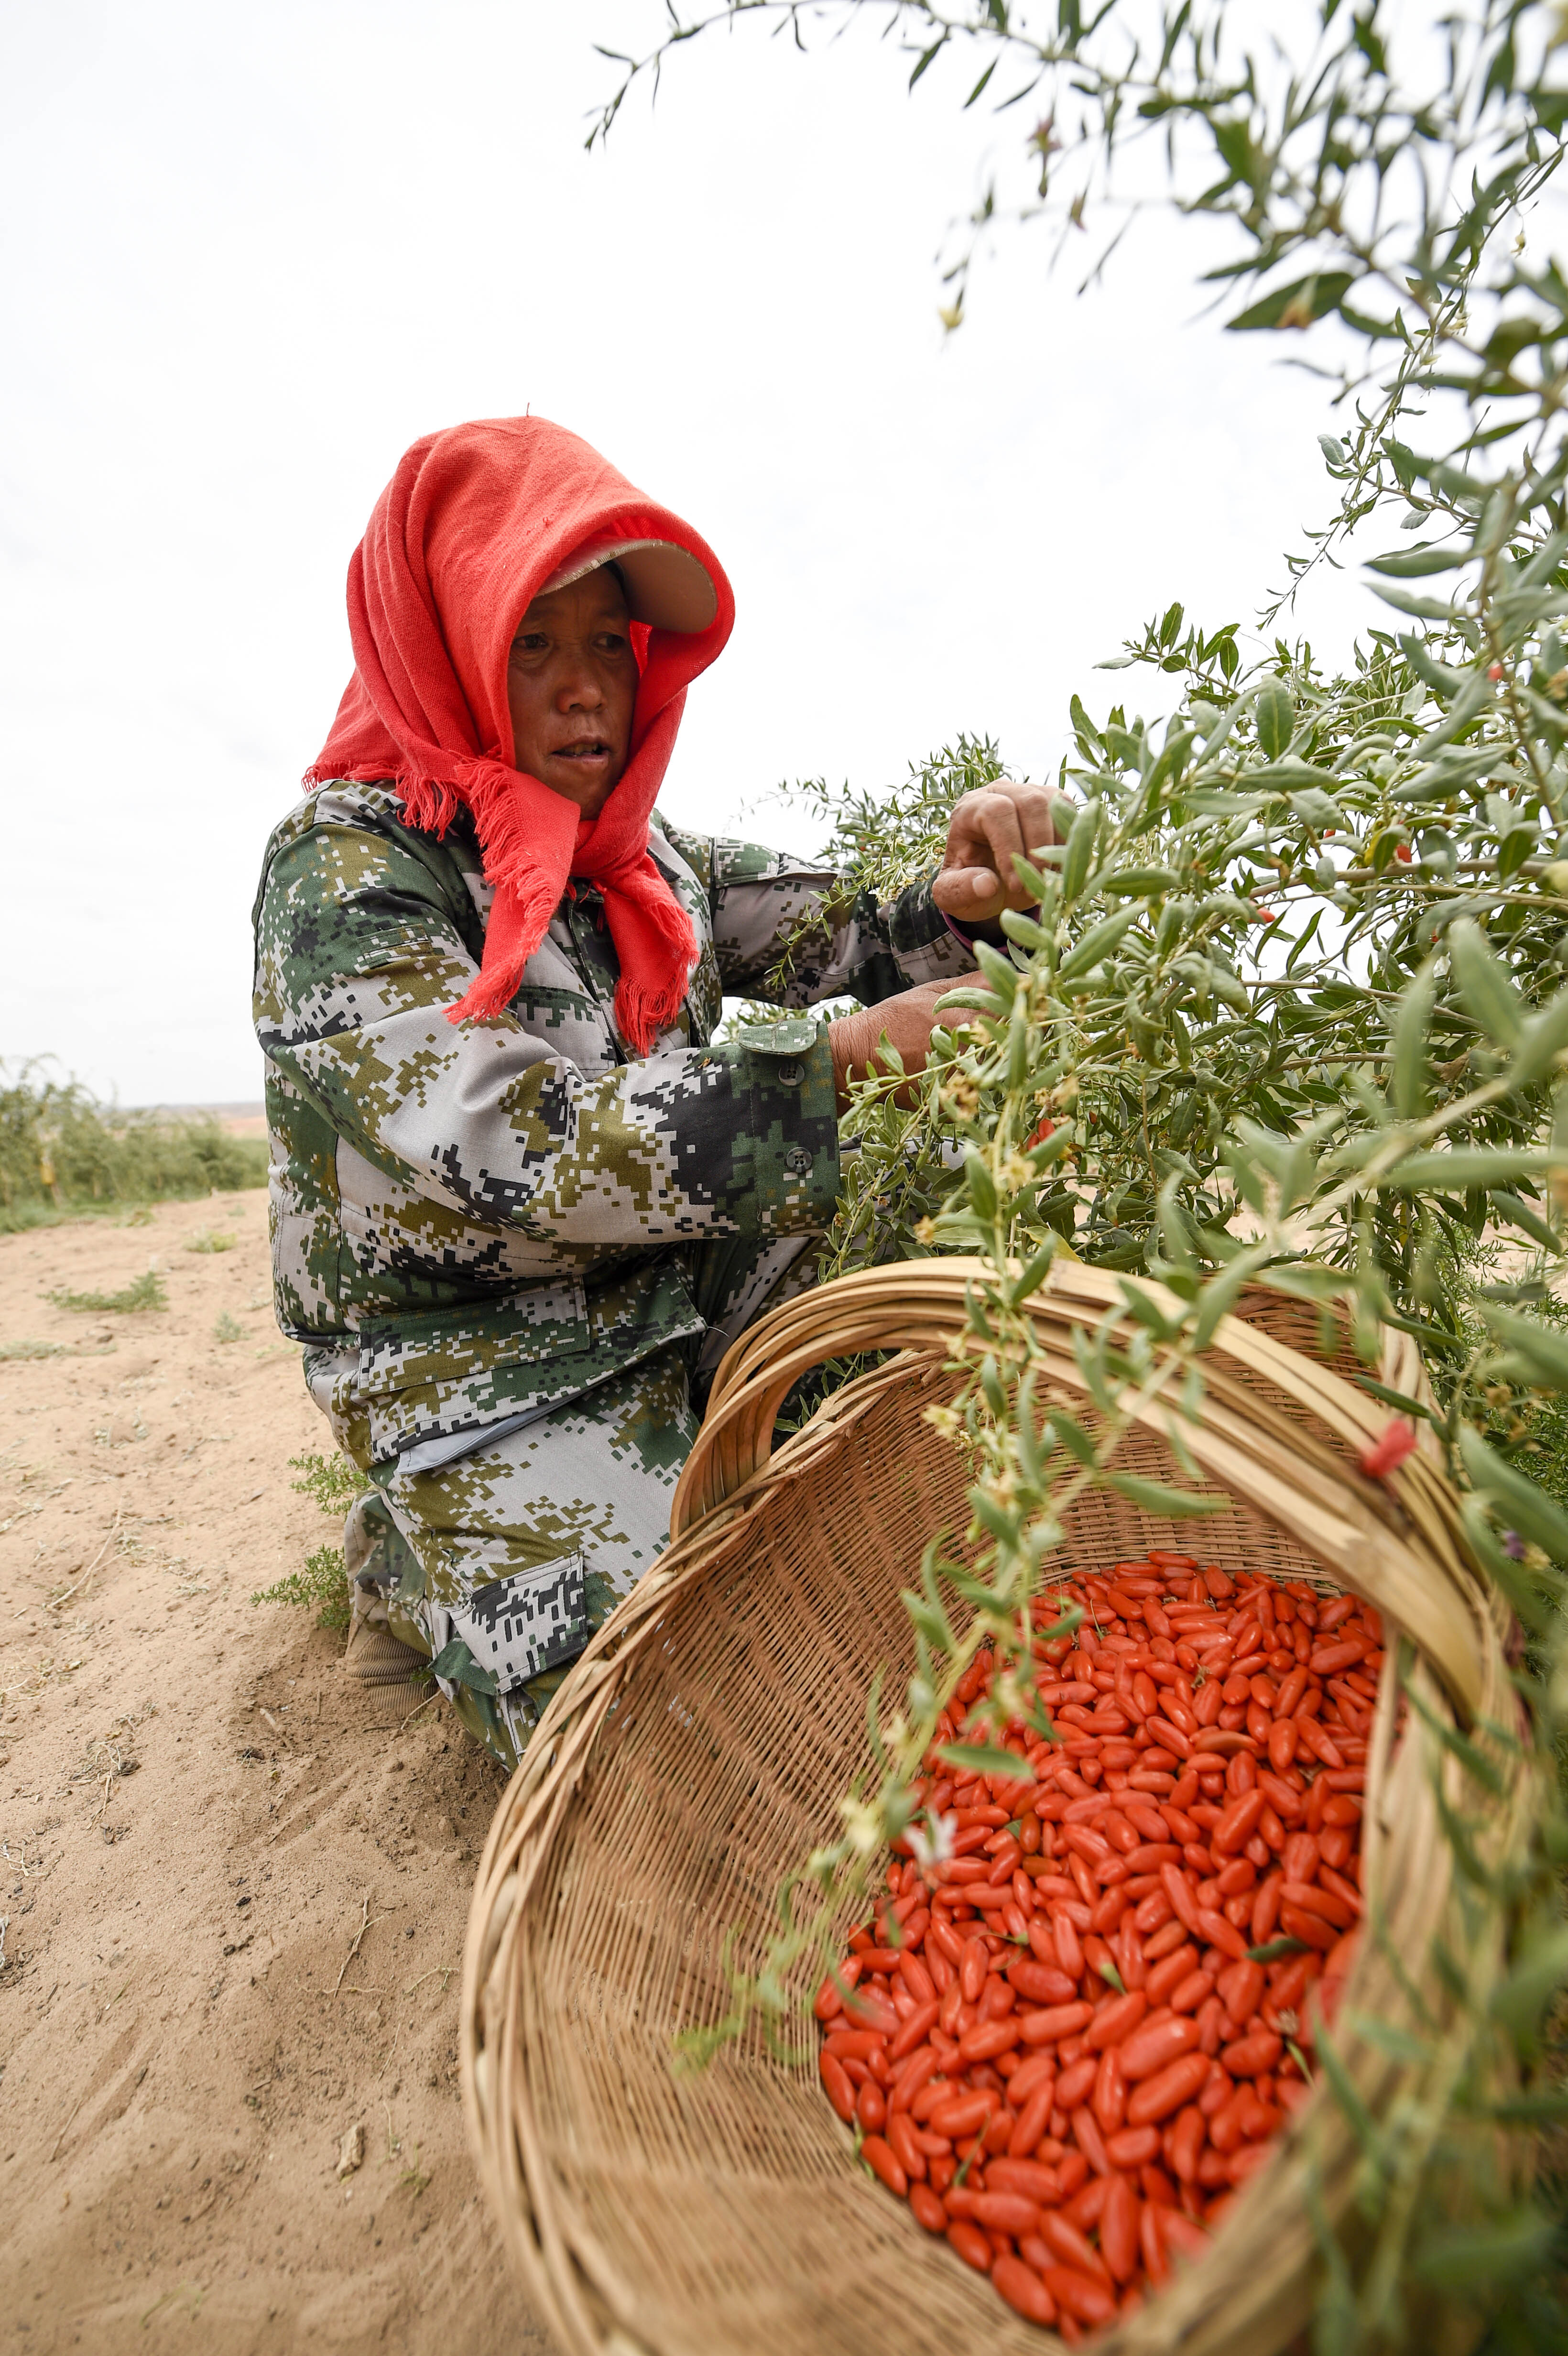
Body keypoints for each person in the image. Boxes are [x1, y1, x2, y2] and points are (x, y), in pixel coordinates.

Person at [253, 415, 1062, 1767]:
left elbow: (857, 941)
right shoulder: (349, 870)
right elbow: (519, 1148)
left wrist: (975, 892)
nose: (586, 691)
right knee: (666, 1729)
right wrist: (845, 1063)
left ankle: (679, 1450)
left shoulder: (644, 859)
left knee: (924, 1297)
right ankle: (416, 1553)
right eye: (533, 643)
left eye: (608, 646)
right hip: (478, 1351)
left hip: (658, 1282)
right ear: (451, 641)